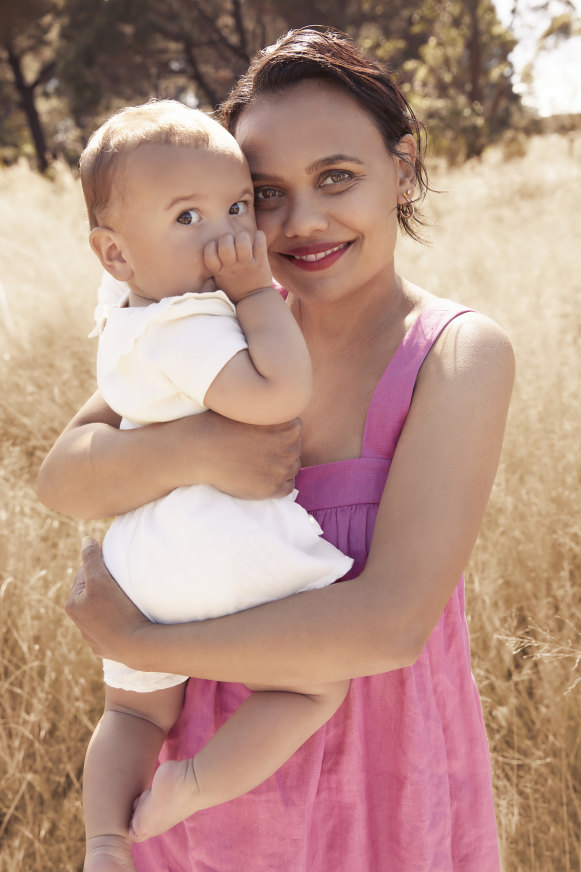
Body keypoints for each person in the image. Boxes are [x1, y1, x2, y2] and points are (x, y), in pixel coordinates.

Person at [39, 25, 515, 872]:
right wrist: (197, 447)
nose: (300, 222)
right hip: (201, 788)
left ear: (401, 167)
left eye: (337, 177)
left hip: (381, 781)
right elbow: (65, 475)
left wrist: (142, 645)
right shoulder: (216, 328)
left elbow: (390, 628)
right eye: (262, 194)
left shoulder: (453, 353)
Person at [74, 99, 353, 872]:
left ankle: (105, 843)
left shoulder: (128, 314)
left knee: (131, 708)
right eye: (189, 217)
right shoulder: (195, 322)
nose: (228, 238)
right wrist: (259, 296)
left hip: (141, 565)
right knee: (316, 685)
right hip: (220, 551)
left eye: (235, 207)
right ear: (116, 254)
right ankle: (191, 783)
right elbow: (273, 396)